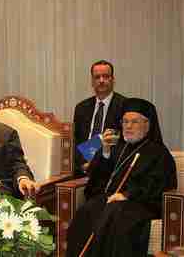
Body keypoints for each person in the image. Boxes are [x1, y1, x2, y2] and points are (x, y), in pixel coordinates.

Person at [66, 98, 177, 257]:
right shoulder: (117, 147)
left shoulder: (159, 153)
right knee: (87, 211)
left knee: (116, 214)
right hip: (111, 200)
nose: (128, 126)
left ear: (147, 125)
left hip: (139, 204)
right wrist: (104, 152)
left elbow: (157, 185)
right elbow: (99, 179)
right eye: (125, 122)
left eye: (134, 122)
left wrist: (127, 195)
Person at [73, 60, 127, 176]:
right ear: (92, 81)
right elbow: (75, 141)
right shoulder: (81, 108)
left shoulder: (124, 106)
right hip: (82, 170)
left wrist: (96, 162)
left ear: (112, 80)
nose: (101, 80)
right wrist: (83, 164)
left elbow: (124, 143)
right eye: (97, 77)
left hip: (110, 169)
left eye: (106, 76)